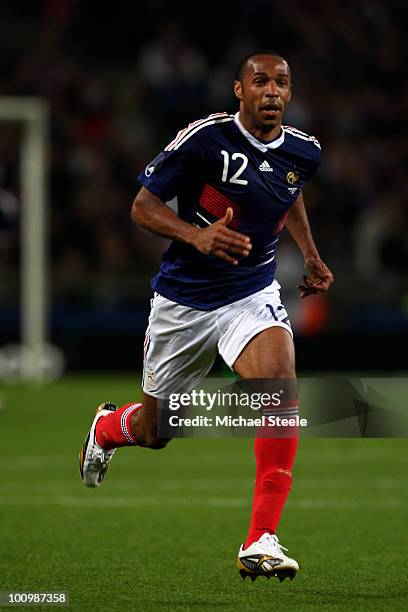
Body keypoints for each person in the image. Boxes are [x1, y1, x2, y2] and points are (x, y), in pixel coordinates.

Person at [79, 50, 333, 582]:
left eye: (281, 83)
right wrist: (196, 234)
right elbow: (142, 206)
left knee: (279, 391)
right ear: (239, 90)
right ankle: (110, 426)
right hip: (183, 303)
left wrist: (309, 253)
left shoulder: (304, 151)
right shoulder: (203, 139)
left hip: (251, 293)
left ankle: (260, 538)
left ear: (290, 91)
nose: (271, 92)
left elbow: (290, 191)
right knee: (155, 432)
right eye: (260, 81)